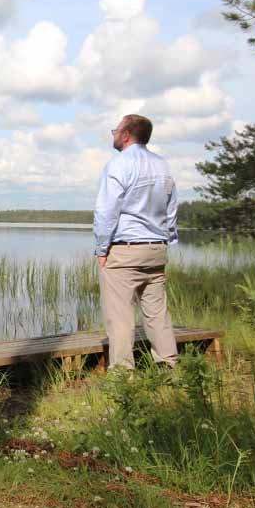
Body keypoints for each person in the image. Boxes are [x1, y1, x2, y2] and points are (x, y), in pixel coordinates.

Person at [93, 114, 179, 371]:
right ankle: (169, 369)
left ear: (126, 134)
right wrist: (168, 240)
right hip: (156, 248)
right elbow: (171, 208)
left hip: (125, 249)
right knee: (157, 314)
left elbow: (106, 211)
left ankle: (122, 377)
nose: (113, 134)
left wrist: (101, 248)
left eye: (115, 130)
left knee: (120, 318)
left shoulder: (119, 164)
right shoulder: (162, 166)